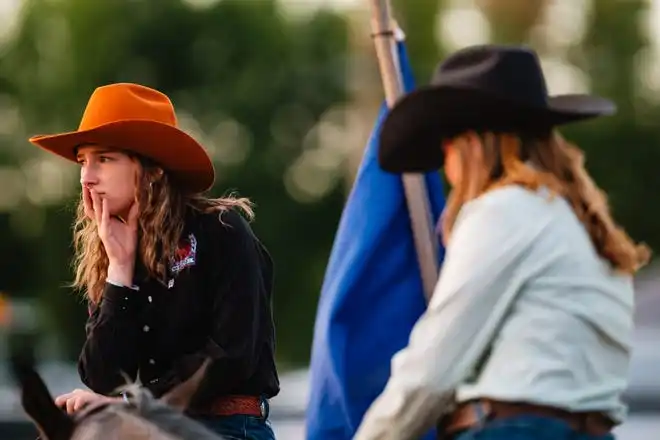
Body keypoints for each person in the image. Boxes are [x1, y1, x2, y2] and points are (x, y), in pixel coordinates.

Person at [353, 45, 651, 440]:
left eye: (447, 142)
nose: (445, 159)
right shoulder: (585, 226)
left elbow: (432, 369)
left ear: (473, 142)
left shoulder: (503, 211)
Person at [28, 82, 279, 440]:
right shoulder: (110, 250)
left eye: (104, 158)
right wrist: (118, 272)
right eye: (83, 161)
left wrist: (134, 405)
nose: (86, 176)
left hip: (227, 428)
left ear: (153, 169)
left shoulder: (220, 230)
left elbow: (230, 356)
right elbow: (103, 378)